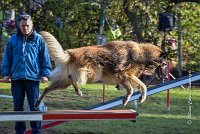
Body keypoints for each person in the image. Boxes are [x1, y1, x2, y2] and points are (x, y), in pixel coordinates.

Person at [1, 13, 52, 134]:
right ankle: (20, 131)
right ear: (19, 25)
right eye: (23, 25)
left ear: (32, 25)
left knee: (34, 107)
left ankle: (36, 131)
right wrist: (5, 73)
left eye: (27, 25)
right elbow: (7, 58)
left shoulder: (39, 39)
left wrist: (45, 73)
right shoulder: (13, 40)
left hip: (33, 78)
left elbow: (45, 58)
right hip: (17, 78)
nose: (25, 28)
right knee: (18, 107)